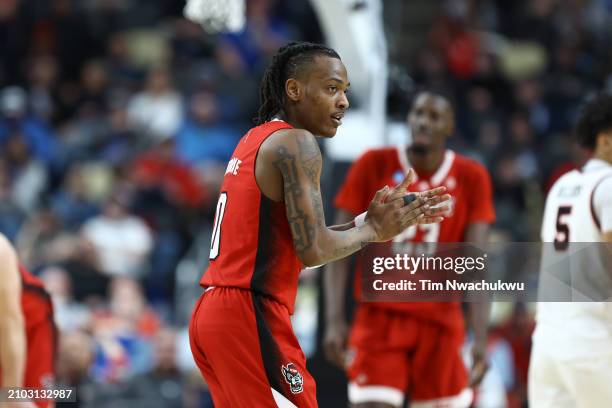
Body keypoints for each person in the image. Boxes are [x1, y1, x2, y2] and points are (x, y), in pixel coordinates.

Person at [188, 42, 451, 407]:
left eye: (344, 91)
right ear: (294, 90)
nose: (342, 102)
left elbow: (297, 246)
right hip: (248, 314)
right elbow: (314, 251)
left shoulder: (256, 138)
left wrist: (365, 221)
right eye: (331, 89)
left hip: (216, 311)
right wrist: (373, 233)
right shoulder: (298, 143)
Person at [324, 91, 495, 408]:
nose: (422, 122)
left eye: (433, 116)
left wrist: (481, 337)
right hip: (380, 318)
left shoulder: (472, 177)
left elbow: (476, 264)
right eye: (417, 113)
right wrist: (333, 319)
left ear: (450, 126)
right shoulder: (373, 163)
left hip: (441, 322)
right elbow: (337, 244)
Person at [529, 92, 612, 407]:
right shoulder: (609, 184)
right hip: (592, 343)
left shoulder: (561, 186)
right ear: (605, 139)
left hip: (548, 344)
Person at [0, 233, 56, 408]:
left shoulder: (1, 250)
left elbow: (11, 325)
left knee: (31, 401)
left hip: (28, 320)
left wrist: (12, 392)